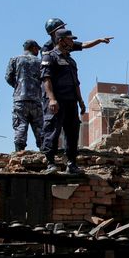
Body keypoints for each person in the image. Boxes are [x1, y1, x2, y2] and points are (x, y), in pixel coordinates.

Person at [40, 28, 104, 174]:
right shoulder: (49, 57)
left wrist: (81, 101)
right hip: (57, 101)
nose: (72, 42)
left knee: (72, 133)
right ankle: (50, 163)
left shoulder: (70, 60)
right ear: (61, 40)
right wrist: (52, 99)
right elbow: (46, 79)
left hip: (71, 101)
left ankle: (71, 164)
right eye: (70, 39)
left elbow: (76, 83)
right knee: (52, 131)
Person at [5, 39, 44, 152]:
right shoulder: (40, 62)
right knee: (40, 128)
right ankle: (45, 155)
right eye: (37, 49)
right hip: (36, 99)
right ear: (33, 48)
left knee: (20, 125)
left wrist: (18, 87)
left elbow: (8, 77)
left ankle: (19, 153)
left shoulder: (15, 60)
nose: (38, 51)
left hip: (20, 99)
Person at [41, 17, 113, 54]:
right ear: (53, 33)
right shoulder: (46, 48)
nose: (64, 29)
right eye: (62, 28)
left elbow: (83, 44)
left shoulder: (67, 42)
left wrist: (99, 40)